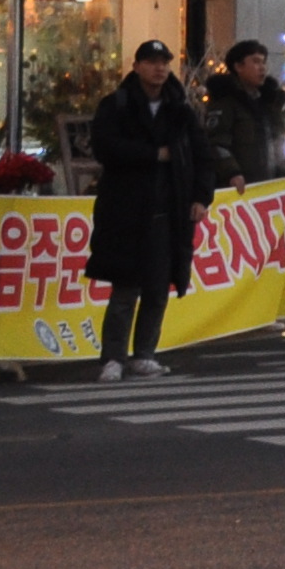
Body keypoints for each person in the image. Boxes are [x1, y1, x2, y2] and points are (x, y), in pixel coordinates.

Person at [86, 41, 201, 379]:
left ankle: (145, 353)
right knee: (125, 288)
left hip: (169, 212)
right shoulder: (117, 105)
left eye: (164, 62)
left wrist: (201, 197)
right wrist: (152, 155)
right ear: (136, 67)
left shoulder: (179, 108)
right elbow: (105, 148)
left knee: (157, 288)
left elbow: (201, 154)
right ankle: (113, 357)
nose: (159, 69)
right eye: (151, 62)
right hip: (125, 211)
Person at [194, 41, 285, 198]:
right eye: (256, 62)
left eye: (264, 62)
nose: (262, 68)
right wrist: (232, 173)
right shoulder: (225, 102)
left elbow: (279, 142)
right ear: (238, 66)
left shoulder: (268, 104)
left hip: (268, 187)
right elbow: (216, 143)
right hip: (238, 190)